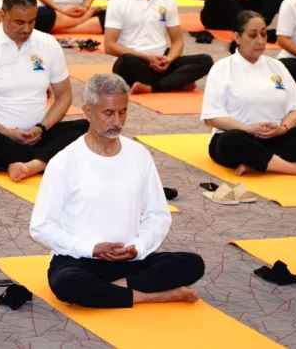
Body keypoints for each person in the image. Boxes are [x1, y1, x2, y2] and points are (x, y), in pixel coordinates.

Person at [30, 72, 205, 308]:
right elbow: (42, 226)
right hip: (80, 259)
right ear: (88, 111)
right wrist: (91, 248)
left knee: (193, 264)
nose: (117, 122)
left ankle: (114, 290)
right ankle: (151, 296)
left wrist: (139, 247)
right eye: (108, 113)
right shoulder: (64, 162)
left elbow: (158, 214)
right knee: (67, 283)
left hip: (129, 258)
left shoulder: (139, 155)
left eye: (123, 112)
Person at [0, 0, 89, 182]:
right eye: (19, 22)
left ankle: (33, 164)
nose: (26, 29)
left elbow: (64, 96)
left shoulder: (48, 44)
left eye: (31, 21)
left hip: (40, 134)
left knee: (90, 128)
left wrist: (42, 127)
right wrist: (5, 131)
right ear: (2, 15)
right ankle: (48, 158)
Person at [202, 11, 296, 175]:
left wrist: (282, 129)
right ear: (237, 37)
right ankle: (294, 168)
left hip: (274, 138)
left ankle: (259, 163)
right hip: (240, 137)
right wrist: (248, 129)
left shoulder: (277, 66)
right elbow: (212, 116)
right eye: (252, 35)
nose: (260, 41)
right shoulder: (222, 68)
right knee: (231, 141)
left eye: (263, 34)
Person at [105, 0, 213, 94]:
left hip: (162, 61)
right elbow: (109, 46)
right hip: (135, 61)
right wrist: (146, 57)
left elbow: (177, 41)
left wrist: (169, 59)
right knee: (125, 63)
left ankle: (152, 87)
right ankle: (175, 82)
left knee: (206, 61)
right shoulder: (118, 1)